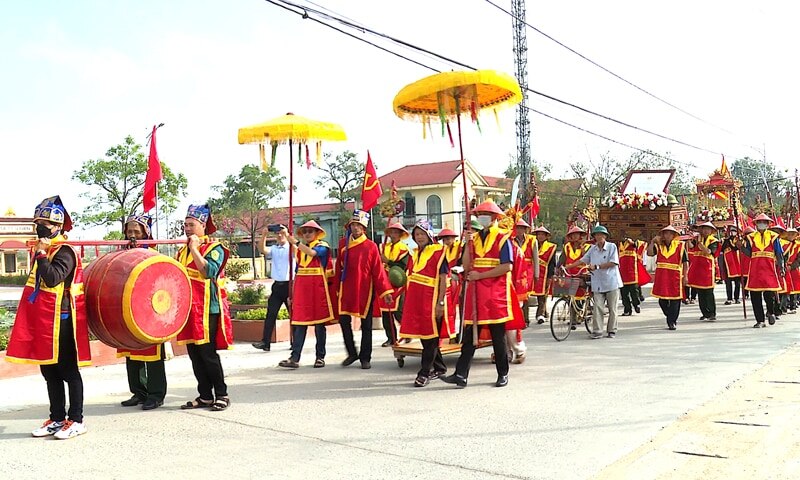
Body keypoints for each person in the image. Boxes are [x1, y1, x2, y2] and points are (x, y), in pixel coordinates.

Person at [6, 196, 89, 439]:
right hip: (43, 319)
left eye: (45, 223)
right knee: (49, 371)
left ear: (58, 227)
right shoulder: (44, 249)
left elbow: (52, 278)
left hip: (61, 319)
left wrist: (41, 256)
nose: (40, 227)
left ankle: (76, 419)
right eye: (38, 223)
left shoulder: (64, 252)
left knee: (68, 371)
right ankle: (56, 418)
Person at [443, 200, 514, 388]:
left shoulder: (503, 238)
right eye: (479, 213)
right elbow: (466, 266)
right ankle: (460, 374)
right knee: (468, 336)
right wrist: (467, 245)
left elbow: (507, 267)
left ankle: (503, 373)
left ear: (494, 217)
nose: (481, 217)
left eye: (485, 214)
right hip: (475, 291)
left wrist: (481, 275)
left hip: (494, 292)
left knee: (497, 336)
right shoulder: (472, 239)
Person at [177, 204, 233, 411]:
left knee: (208, 354)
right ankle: (205, 395)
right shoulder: (181, 252)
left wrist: (194, 248)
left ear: (202, 226)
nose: (187, 229)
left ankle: (222, 394)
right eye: (185, 225)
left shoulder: (214, 248)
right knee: (194, 355)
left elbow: (208, 271)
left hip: (208, 308)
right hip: (189, 310)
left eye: (191, 225)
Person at [117, 213, 167, 411]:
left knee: (153, 355)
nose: (132, 235)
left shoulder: (154, 255)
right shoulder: (122, 254)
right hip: (129, 309)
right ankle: (138, 392)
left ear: (146, 233)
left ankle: (156, 395)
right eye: (129, 231)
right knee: (132, 352)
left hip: (150, 311)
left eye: (136, 231)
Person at [334, 210, 393, 369]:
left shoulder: (371, 246)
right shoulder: (342, 244)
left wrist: (385, 291)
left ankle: (365, 357)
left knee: (366, 325)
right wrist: (336, 286)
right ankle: (352, 353)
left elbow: (378, 271)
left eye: (358, 225)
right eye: (353, 225)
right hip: (346, 288)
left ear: (364, 228)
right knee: (344, 321)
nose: (355, 228)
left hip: (365, 289)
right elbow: (338, 267)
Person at [398, 220, 452, 387]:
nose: (419, 237)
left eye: (422, 234)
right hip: (415, 300)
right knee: (424, 336)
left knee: (431, 337)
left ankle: (424, 372)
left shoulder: (439, 252)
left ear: (429, 235)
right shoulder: (413, 253)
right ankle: (440, 368)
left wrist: (440, 302)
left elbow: (443, 279)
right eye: (416, 234)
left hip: (432, 298)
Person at [278, 221, 335, 369]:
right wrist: (292, 294)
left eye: (310, 231)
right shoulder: (298, 251)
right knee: (299, 324)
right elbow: (296, 272)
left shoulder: (323, 246)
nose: (307, 234)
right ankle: (295, 357)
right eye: (305, 231)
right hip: (302, 290)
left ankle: (320, 357)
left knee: (319, 325)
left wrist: (294, 241)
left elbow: (313, 253)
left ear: (317, 233)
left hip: (317, 289)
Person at [566, 225, 623, 338]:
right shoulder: (593, 249)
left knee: (612, 308)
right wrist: (568, 267)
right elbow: (582, 260)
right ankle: (597, 331)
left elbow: (613, 263)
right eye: (597, 235)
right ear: (594, 237)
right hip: (597, 282)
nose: (599, 237)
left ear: (605, 236)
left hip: (611, 282)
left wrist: (597, 266)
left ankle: (612, 330)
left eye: (601, 235)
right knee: (598, 308)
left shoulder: (612, 247)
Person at [740, 214, 784, 327]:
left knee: (769, 294)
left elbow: (779, 254)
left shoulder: (774, 237)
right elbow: (750, 254)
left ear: (768, 224)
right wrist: (741, 247)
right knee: (755, 295)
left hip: (769, 269)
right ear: (755, 224)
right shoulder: (751, 237)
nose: (762, 224)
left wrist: (782, 267)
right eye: (759, 222)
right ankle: (760, 320)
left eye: (764, 222)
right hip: (755, 269)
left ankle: (770, 311)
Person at [252, 225, 292, 352]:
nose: (280, 236)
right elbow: (262, 249)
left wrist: (288, 235)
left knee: (294, 316)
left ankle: (296, 342)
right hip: (277, 286)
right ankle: (266, 342)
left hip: (289, 285)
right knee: (271, 314)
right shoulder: (274, 248)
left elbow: (297, 250)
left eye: (282, 233)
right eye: (277, 234)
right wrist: (264, 235)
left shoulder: (291, 248)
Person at [648, 225, 689, 330]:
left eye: (670, 233)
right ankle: (670, 315)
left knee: (675, 300)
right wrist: (652, 242)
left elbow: (685, 262)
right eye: (666, 233)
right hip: (662, 276)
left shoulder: (680, 246)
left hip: (675, 275)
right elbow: (650, 253)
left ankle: (672, 321)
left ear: (674, 235)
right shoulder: (659, 246)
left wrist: (685, 276)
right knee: (662, 300)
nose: (668, 235)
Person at [380, 223, 411, 347]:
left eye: (396, 232)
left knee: (399, 311)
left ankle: (407, 333)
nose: (393, 235)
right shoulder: (384, 247)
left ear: (400, 234)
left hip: (397, 282)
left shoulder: (404, 249)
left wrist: (388, 262)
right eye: (391, 232)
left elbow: (403, 266)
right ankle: (391, 338)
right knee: (385, 312)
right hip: (384, 281)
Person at [686, 222, 719, 321]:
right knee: (700, 292)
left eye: (708, 229)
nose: (705, 231)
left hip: (707, 268)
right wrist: (688, 239)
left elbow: (708, 251)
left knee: (709, 292)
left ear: (711, 231)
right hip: (697, 267)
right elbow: (692, 247)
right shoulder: (696, 239)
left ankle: (712, 313)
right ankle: (704, 313)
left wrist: (700, 244)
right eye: (704, 228)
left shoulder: (714, 241)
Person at [559, 225, 589, 324]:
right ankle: (573, 318)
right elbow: (562, 259)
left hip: (581, 273)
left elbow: (587, 259)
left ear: (580, 235)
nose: (575, 236)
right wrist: (559, 267)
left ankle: (581, 312)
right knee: (570, 296)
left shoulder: (586, 246)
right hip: (569, 273)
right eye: (573, 235)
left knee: (581, 295)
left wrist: (582, 248)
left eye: (577, 234)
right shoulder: (567, 246)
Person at [512, 219, 539, 328]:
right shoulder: (510, 240)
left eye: (522, 228)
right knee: (515, 295)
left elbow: (535, 258)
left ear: (525, 229)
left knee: (525, 295)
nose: (519, 230)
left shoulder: (532, 240)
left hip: (527, 270)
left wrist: (536, 274)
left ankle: (525, 319)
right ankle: (517, 319)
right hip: (515, 269)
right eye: (517, 228)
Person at [531, 225, 556, 324]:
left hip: (545, 273)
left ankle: (539, 314)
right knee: (533, 293)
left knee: (543, 294)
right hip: (533, 272)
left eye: (542, 235)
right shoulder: (532, 245)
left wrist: (550, 276)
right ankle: (544, 312)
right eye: (538, 234)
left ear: (546, 236)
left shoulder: (551, 247)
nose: (540, 236)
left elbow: (552, 263)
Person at [618, 235, 646, 316]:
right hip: (622, 273)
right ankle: (627, 309)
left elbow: (638, 247)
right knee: (624, 294)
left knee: (634, 292)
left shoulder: (634, 242)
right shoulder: (618, 244)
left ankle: (636, 304)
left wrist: (632, 242)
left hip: (632, 272)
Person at [719, 225, 742, 305]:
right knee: (728, 282)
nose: (733, 232)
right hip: (728, 263)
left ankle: (736, 298)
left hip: (737, 262)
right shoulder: (725, 241)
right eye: (732, 231)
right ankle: (729, 298)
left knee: (737, 282)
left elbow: (736, 248)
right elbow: (721, 250)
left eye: (734, 231)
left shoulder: (739, 240)